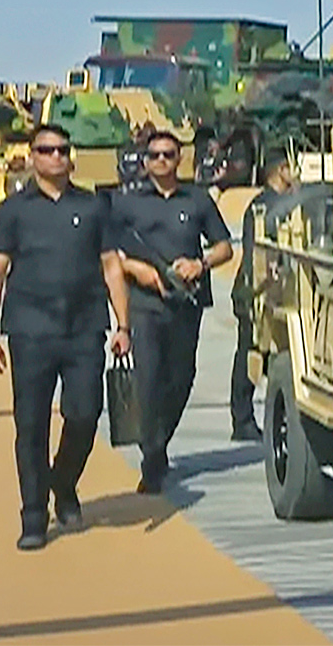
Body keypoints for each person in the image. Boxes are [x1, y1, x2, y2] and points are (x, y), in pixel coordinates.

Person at [0, 124, 131, 550]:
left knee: (84, 415)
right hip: (29, 331)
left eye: (64, 149)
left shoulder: (95, 206)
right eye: (47, 150)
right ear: (32, 157)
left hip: (85, 328)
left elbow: (112, 266)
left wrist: (123, 324)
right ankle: (33, 517)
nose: (57, 157)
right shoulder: (12, 211)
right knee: (31, 426)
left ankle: (62, 482)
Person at [112, 130, 233, 493]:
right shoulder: (127, 203)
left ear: (179, 159)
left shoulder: (197, 200)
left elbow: (225, 247)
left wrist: (201, 263)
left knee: (181, 377)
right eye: (154, 156)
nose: (161, 161)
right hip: (145, 304)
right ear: (144, 162)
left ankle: (159, 442)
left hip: (188, 301)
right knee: (147, 381)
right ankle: (151, 459)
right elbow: (110, 252)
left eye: (167, 154)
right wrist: (138, 271)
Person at [229, 152, 297, 441]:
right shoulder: (267, 206)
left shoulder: (275, 203)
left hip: (268, 289)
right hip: (257, 290)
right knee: (252, 353)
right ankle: (242, 419)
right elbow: (258, 254)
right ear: (281, 170)